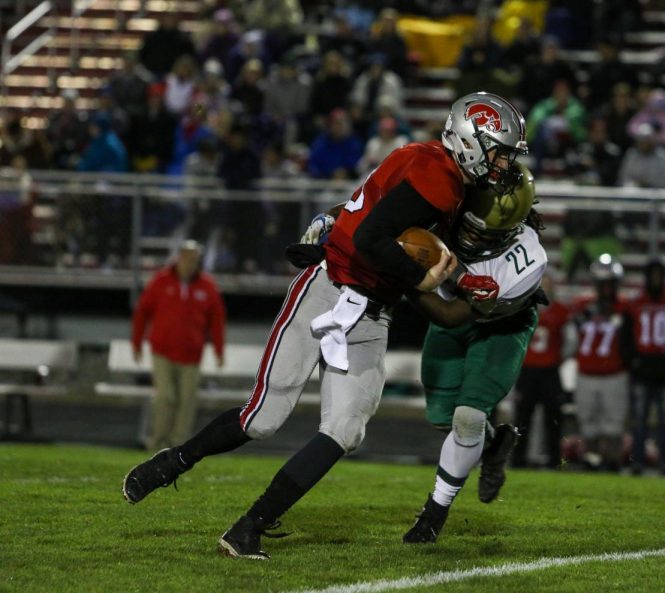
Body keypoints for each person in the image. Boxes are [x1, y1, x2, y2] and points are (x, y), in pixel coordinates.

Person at [121, 91, 527, 560]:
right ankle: (171, 463)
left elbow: (377, 218)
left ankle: (248, 528)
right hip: (329, 291)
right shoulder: (438, 176)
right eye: (499, 151)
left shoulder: (425, 159)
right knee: (262, 419)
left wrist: (454, 275)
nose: (502, 164)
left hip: (371, 311)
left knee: (346, 428)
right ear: (472, 141)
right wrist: (428, 276)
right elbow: (378, 238)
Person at [402, 165, 547, 543]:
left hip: (500, 326)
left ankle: (434, 514)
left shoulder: (525, 263)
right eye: (465, 225)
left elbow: (451, 316)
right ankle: (496, 442)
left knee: (467, 418)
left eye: (480, 232)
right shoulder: (448, 200)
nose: (467, 237)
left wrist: (401, 278)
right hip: (453, 307)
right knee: (442, 420)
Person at [131, 241, 226, 451]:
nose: (190, 263)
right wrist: (136, 342)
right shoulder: (161, 281)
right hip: (163, 351)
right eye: (187, 257)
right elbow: (142, 312)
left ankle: (177, 447)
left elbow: (217, 321)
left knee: (187, 401)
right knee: (166, 397)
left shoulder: (207, 286)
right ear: (179, 257)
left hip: (191, 354)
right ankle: (157, 443)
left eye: (194, 259)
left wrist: (219, 350)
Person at [573, 254, 633, 471]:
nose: (607, 289)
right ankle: (591, 460)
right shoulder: (583, 305)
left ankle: (612, 461)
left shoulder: (625, 307)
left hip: (615, 373)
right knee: (588, 422)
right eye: (603, 284)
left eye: (610, 284)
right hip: (587, 371)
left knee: (614, 423)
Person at [512, 273, 575, 469]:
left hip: (549, 371)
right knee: (522, 418)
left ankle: (554, 460)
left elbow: (572, 341)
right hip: (528, 369)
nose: (546, 289)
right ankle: (518, 459)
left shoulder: (562, 311)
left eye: (549, 285)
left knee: (553, 419)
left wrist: (557, 359)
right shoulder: (523, 308)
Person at [626, 258, 665, 475]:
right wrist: (634, 360)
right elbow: (626, 337)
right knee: (639, 421)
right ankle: (637, 462)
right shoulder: (635, 303)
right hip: (643, 369)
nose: (656, 280)